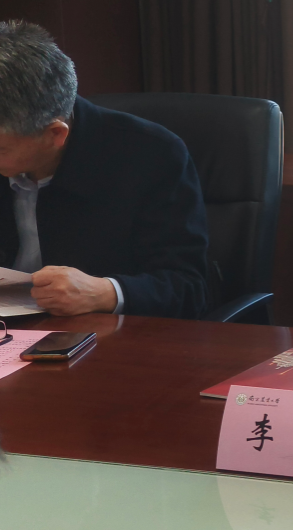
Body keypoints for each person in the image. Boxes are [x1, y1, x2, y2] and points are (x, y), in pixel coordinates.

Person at [0, 20, 209, 318]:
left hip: (105, 333)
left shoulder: (152, 156)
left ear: (55, 134)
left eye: (2, 149)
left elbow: (188, 287)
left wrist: (105, 293)